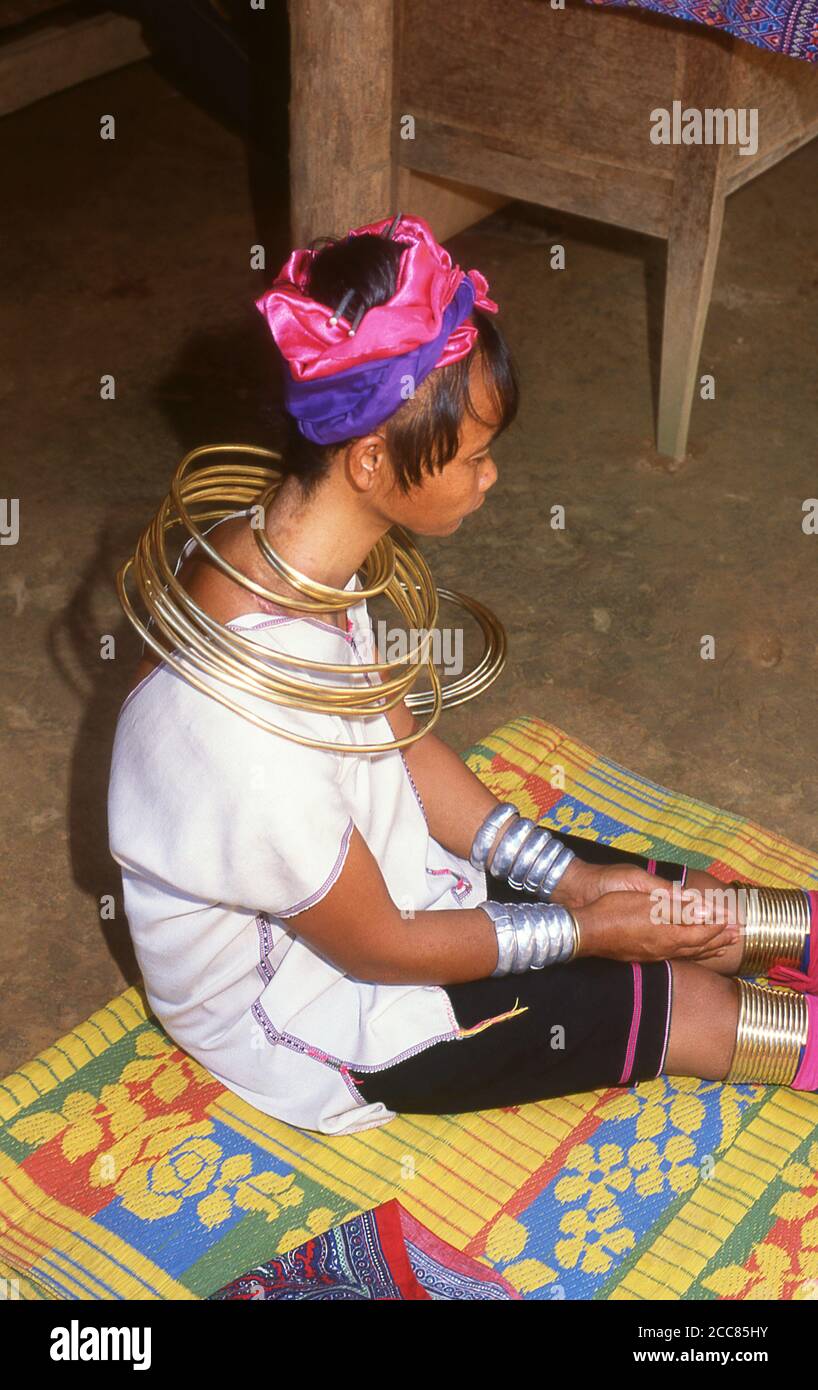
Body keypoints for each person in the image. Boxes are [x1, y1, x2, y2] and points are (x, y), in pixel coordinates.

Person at [108, 213, 818, 1137]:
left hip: (381, 882)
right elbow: (382, 949)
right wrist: (590, 931)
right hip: (318, 999)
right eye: (476, 454)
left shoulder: (278, 548)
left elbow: (396, 741)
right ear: (373, 460)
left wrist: (567, 883)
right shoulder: (252, 742)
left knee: (690, 910)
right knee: (675, 997)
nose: (491, 478)